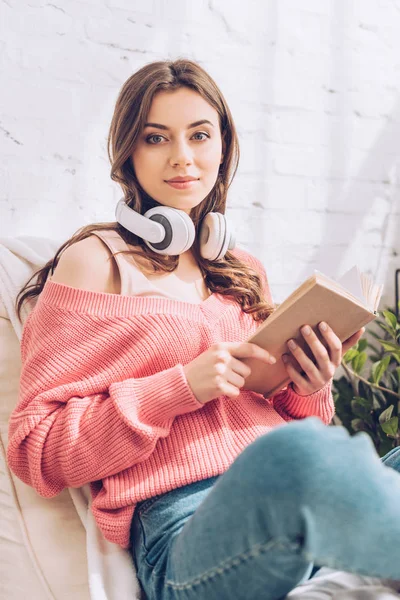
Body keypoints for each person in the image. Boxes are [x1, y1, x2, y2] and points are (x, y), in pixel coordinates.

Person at [7, 58, 400, 600]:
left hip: (289, 511)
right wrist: (179, 388)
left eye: (199, 135)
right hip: (188, 527)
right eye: (156, 137)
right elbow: (37, 449)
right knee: (298, 455)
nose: (183, 158)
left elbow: (280, 411)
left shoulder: (241, 269)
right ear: (129, 152)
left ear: (223, 146)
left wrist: (309, 386)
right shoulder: (94, 262)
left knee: (304, 450)